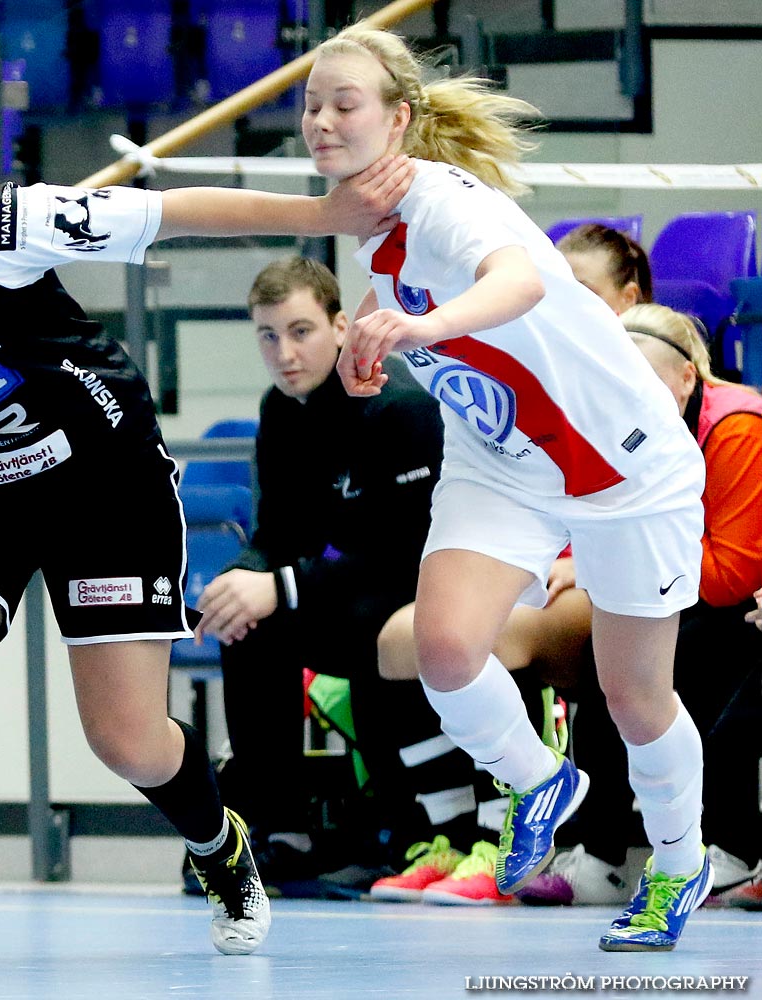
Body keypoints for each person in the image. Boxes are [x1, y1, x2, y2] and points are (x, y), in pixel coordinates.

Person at [0, 76, 412, 959]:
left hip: (103, 481)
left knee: (128, 743)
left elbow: (166, 214)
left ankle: (222, 846)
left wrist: (323, 213)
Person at [306, 26, 711, 951]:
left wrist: (424, 326)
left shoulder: (453, 202)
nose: (320, 121)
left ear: (398, 119)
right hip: (506, 457)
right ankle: (538, 780)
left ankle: (679, 867)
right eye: (311, 103)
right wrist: (375, 339)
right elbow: (400, 305)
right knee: (442, 647)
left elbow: (519, 281)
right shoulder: (371, 229)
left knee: (636, 698)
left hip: (622, 463)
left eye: (344, 103)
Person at [372, 222, 654, 904]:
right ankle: (458, 834)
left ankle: (512, 845)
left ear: (627, 299)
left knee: (490, 633)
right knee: (401, 638)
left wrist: (588, 561)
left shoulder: (648, 380)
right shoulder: (525, 371)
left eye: (580, 292)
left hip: (615, 578)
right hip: (534, 565)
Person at [190, 257, 458, 898]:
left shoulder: (400, 406)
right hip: (338, 591)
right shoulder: (280, 410)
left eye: (301, 330)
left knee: (373, 627)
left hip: (414, 592)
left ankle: (397, 833)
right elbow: (277, 532)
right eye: (268, 335)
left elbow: (399, 553)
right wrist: (241, 582)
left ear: (342, 326)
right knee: (245, 625)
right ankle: (279, 829)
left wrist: (279, 585)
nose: (284, 353)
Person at [514, 305, 762, 909]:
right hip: (681, 592)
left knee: (677, 660)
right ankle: (605, 854)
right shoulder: (611, 426)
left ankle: (724, 845)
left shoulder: (737, 428)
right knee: (610, 658)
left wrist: (620, 559)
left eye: (650, 388)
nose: (635, 404)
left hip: (734, 609)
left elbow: (731, 574)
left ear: (687, 377)